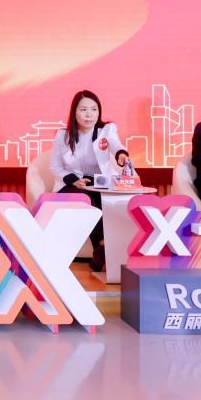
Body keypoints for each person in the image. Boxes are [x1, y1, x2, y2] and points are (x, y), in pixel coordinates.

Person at [49, 90, 130, 273]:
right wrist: (74, 181)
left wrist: (121, 155)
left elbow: (116, 145)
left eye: (94, 109)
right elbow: (55, 167)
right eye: (84, 109)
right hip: (71, 185)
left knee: (104, 199)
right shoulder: (63, 135)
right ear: (74, 112)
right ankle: (101, 246)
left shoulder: (107, 130)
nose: (89, 114)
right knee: (86, 199)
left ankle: (101, 253)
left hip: (99, 182)